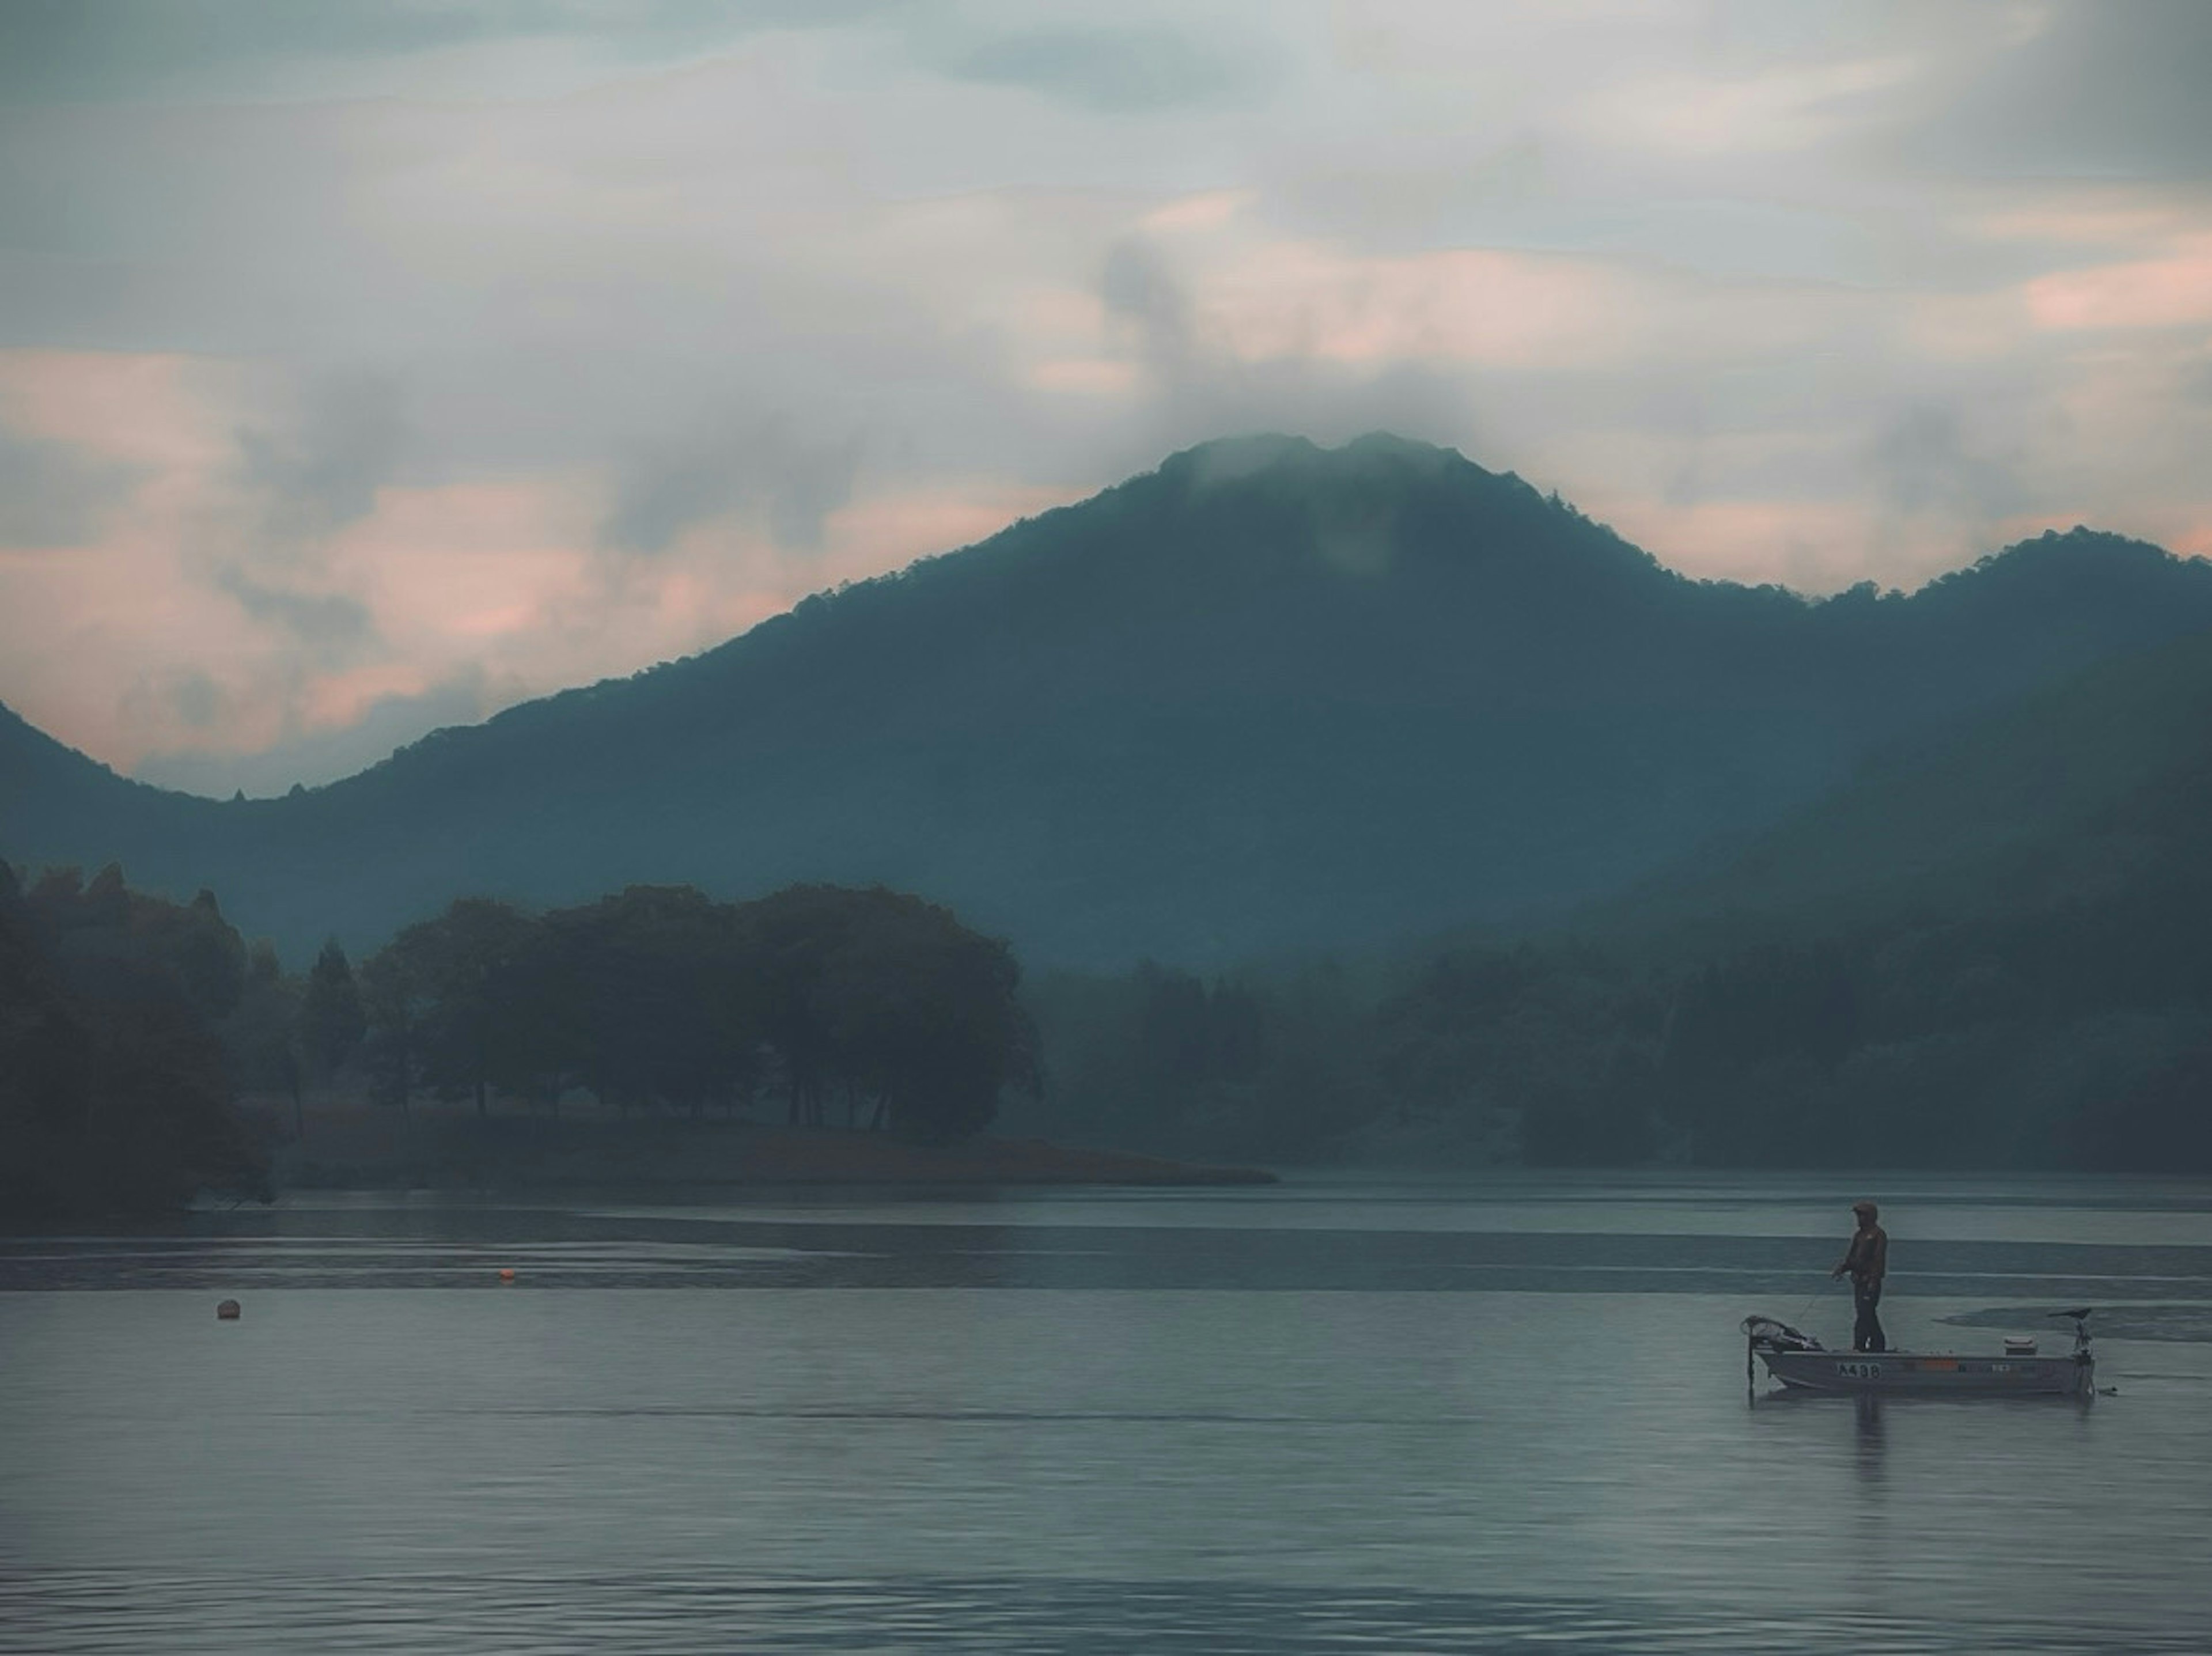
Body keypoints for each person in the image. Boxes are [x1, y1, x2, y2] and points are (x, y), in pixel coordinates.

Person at [1831, 1199, 1888, 1352]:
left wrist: (1873, 1281)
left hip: (1870, 1283)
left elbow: (1879, 1260)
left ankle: (1872, 1346)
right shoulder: (1859, 1235)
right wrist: (1842, 1268)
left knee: (1866, 1315)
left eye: (1862, 1216)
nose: (1859, 1219)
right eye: (1858, 1216)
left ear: (1871, 1217)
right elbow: (1852, 1259)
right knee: (1864, 1314)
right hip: (1859, 1283)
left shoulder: (1878, 1234)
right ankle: (1863, 1346)